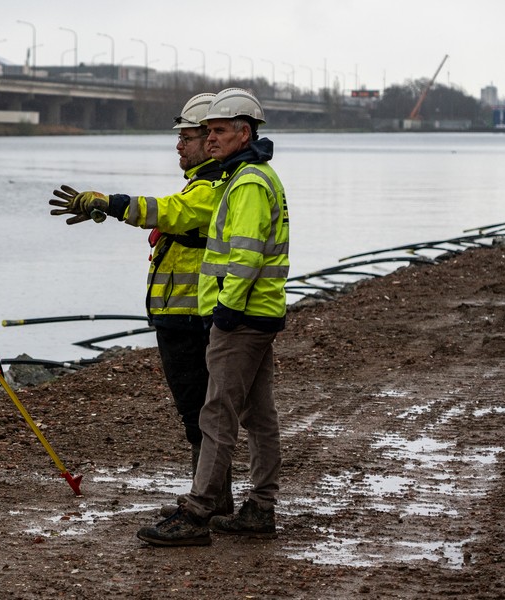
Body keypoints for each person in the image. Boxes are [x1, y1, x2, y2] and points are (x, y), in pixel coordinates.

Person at [49, 92, 233, 518]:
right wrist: (110, 212)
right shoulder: (207, 185)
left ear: (208, 139)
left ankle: (209, 502)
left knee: (199, 413)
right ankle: (211, 496)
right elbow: (174, 219)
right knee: (198, 412)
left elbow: (169, 212)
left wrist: (109, 203)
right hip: (181, 315)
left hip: (191, 318)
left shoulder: (214, 187)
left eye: (186, 137)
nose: (178, 146)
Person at [133, 88, 290, 546]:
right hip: (257, 315)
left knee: (217, 412)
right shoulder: (250, 177)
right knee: (258, 414)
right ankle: (260, 507)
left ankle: (200, 512)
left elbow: (243, 257)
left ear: (244, 133)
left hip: (239, 319)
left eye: (219, 130)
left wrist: (224, 312)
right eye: (207, 131)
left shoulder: (247, 184)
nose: (210, 138)